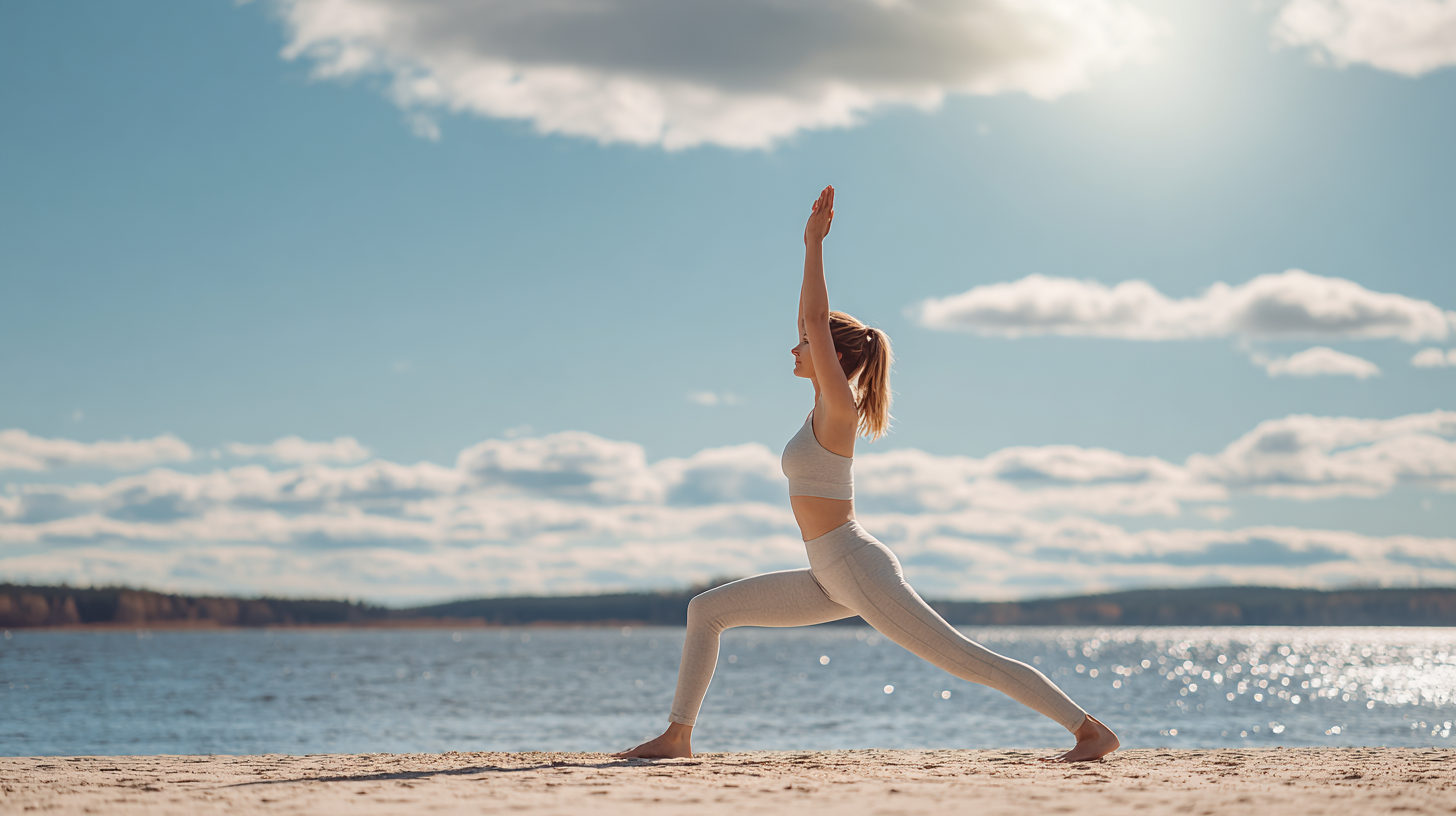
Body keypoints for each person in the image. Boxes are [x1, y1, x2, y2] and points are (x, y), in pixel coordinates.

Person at [615, 186, 1119, 763]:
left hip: (855, 565)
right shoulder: (818, 408)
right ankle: (677, 737)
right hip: (827, 574)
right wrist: (808, 271)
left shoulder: (838, 407)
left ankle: (1089, 731)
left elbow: (811, 315)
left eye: (805, 343)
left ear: (828, 352)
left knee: (964, 658)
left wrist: (812, 245)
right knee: (706, 610)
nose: (793, 347)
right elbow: (806, 320)